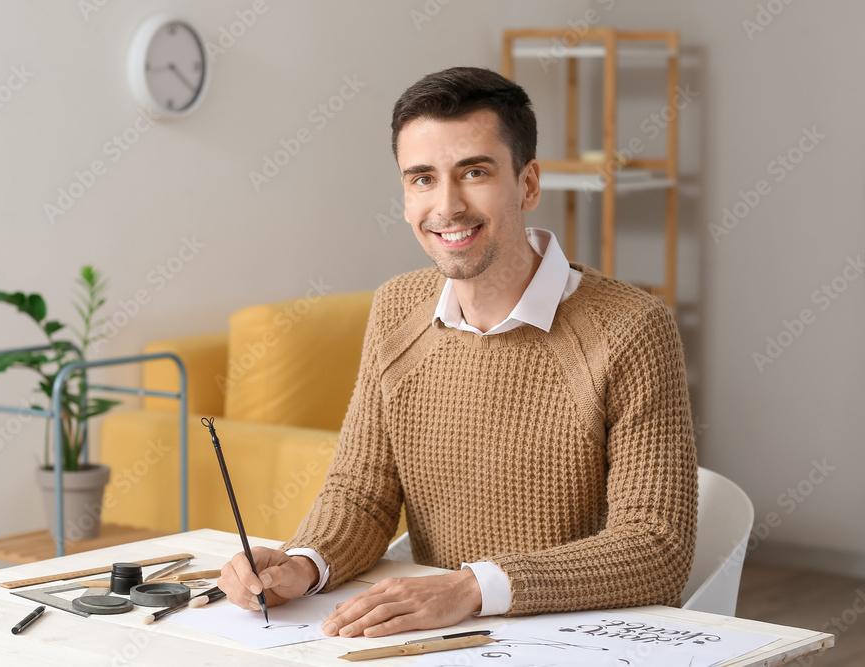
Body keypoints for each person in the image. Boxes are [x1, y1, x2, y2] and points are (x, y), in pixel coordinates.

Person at [219, 66, 698, 639]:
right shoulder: (397, 308)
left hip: (578, 639)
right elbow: (362, 492)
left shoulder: (632, 329)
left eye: (474, 172)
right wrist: (305, 563)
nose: (446, 206)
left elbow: (656, 546)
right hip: (441, 639)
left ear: (528, 184)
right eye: (422, 179)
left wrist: (471, 588)